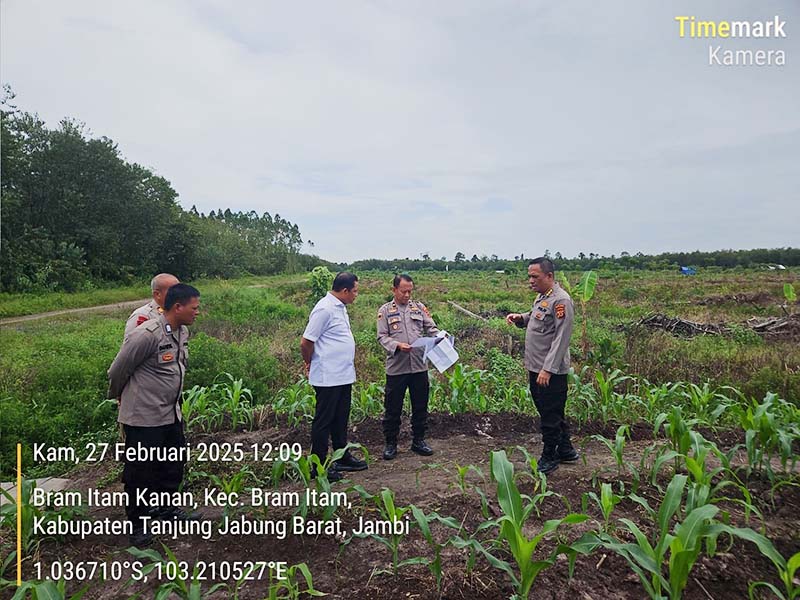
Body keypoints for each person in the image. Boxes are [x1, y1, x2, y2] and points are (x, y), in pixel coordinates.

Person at [107, 283, 201, 546]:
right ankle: (138, 523)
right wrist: (121, 399)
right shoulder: (146, 334)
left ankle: (165, 510)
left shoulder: (181, 333)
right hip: (144, 417)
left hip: (170, 414)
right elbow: (117, 370)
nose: (197, 313)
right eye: (194, 308)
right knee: (141, 472)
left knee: (172, 465)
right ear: (177, 307)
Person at [506, 258, 576, 474]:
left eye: (535, 276)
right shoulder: (543, 297)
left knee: (549, 414)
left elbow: (561, 338)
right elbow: (538, 318)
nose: (530, 281)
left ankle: (550, 455)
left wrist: (548, 369)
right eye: (529, 276)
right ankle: (565, 449)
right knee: (550, 410)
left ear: (549, 276)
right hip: (536, 366)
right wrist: (522, 318)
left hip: (550, 371)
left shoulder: (561, 301)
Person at [300, 272, 367, 482]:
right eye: (355, 291)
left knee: (340, 419)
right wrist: (309, 362)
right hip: (328, 376)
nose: (357, 294)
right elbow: (306, 341)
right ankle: (317, 466)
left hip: (343, 375)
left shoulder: (340, 307)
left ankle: (341, 456)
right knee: (324, 421)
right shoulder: (324, 309)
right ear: (345, 291)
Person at [377, 274, 440, 460]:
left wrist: (440, 337)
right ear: (394, 290)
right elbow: (381, 336)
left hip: (419, 366)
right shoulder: (385, 311)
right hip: (397, 368)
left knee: (420, 406)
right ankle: (391, 444)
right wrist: (397, 345)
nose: (407, 295)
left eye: (410, 291)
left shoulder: (419, 308)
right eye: (403, 291)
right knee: (393, 408)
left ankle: (419, 440)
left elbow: (432, 328)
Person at [124, 273, 180, 341]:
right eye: (174, 291)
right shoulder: (143, 316)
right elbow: (131, 348)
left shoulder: (177, 312)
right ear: (157, 294)